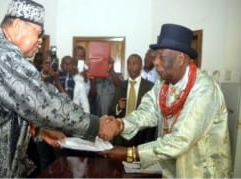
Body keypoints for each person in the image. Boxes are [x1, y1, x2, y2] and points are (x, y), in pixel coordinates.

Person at [0, 0, 119, 177]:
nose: (40, 41)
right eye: (38, 33)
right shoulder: (4, 55)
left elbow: (6, 110)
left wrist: (40, 131)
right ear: (18, 25)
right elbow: (44, 103)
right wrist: (96, 125)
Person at [99, 23, 232, 178]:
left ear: (180, 59)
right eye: (155, 56)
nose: (155, 62)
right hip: (171, 172)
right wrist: (119, 125)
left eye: (161, 56)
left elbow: (180, 139)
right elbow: (147, 112)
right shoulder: (162, 85)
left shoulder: (204, 90)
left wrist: (129, 153)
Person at [109, 54, 156, 147]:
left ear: (141, 67)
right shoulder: (120, 86)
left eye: (134, 63)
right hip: (122, 135)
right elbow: (111, 110)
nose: (131, 67)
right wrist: (118, 107)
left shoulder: (150, 87)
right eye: (129, 64)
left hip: (141, 135)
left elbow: (153, 113)